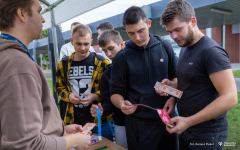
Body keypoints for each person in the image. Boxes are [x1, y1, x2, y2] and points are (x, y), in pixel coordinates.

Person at [0, 0, 91, 149]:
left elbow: (16, 128)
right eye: (38, 11)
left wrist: (59, 132)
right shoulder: (17, 64)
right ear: (22, 14)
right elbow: (26, 145)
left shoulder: (9, 57)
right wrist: (75, 141)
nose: (43, 19)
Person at [159, 0, 238, 149]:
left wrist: (189, 121)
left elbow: (230, 98)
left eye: (178, 29)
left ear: (192, 21)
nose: (174, 36)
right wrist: (172, 92)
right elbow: (192, 83)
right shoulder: (185, 47)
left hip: (207, 133)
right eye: (170, 32)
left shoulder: (211, 52)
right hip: (186, 127)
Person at [110, 6, 178, 150]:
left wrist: (172, 94)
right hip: (139, 123)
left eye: (141, 31)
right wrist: (121, 104)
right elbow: (115, 94)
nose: (137, 38)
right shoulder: (121, 57)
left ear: (149, 24)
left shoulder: (165, 47)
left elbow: (176, 79)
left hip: (167, 118)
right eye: (131, 33)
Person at [55, 24, 113, 141]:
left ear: (91, 41)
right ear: (71, 41)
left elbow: (112, 90)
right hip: (73, 121)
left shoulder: (102, 63)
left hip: (99, 121)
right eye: (78, 44)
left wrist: (95, 96)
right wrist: (69, 95)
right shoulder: (64, 64)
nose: (82, 48)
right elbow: (58, 88)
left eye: (86, 44)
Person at [90, 30, 127, 149]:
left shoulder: (136, 64)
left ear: (121, 44)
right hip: (121, 123)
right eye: (105, 51)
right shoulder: (107, 74)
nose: (109, 54)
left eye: (111, 48)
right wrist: (102, 110)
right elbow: (108, 101)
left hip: (143, 121)